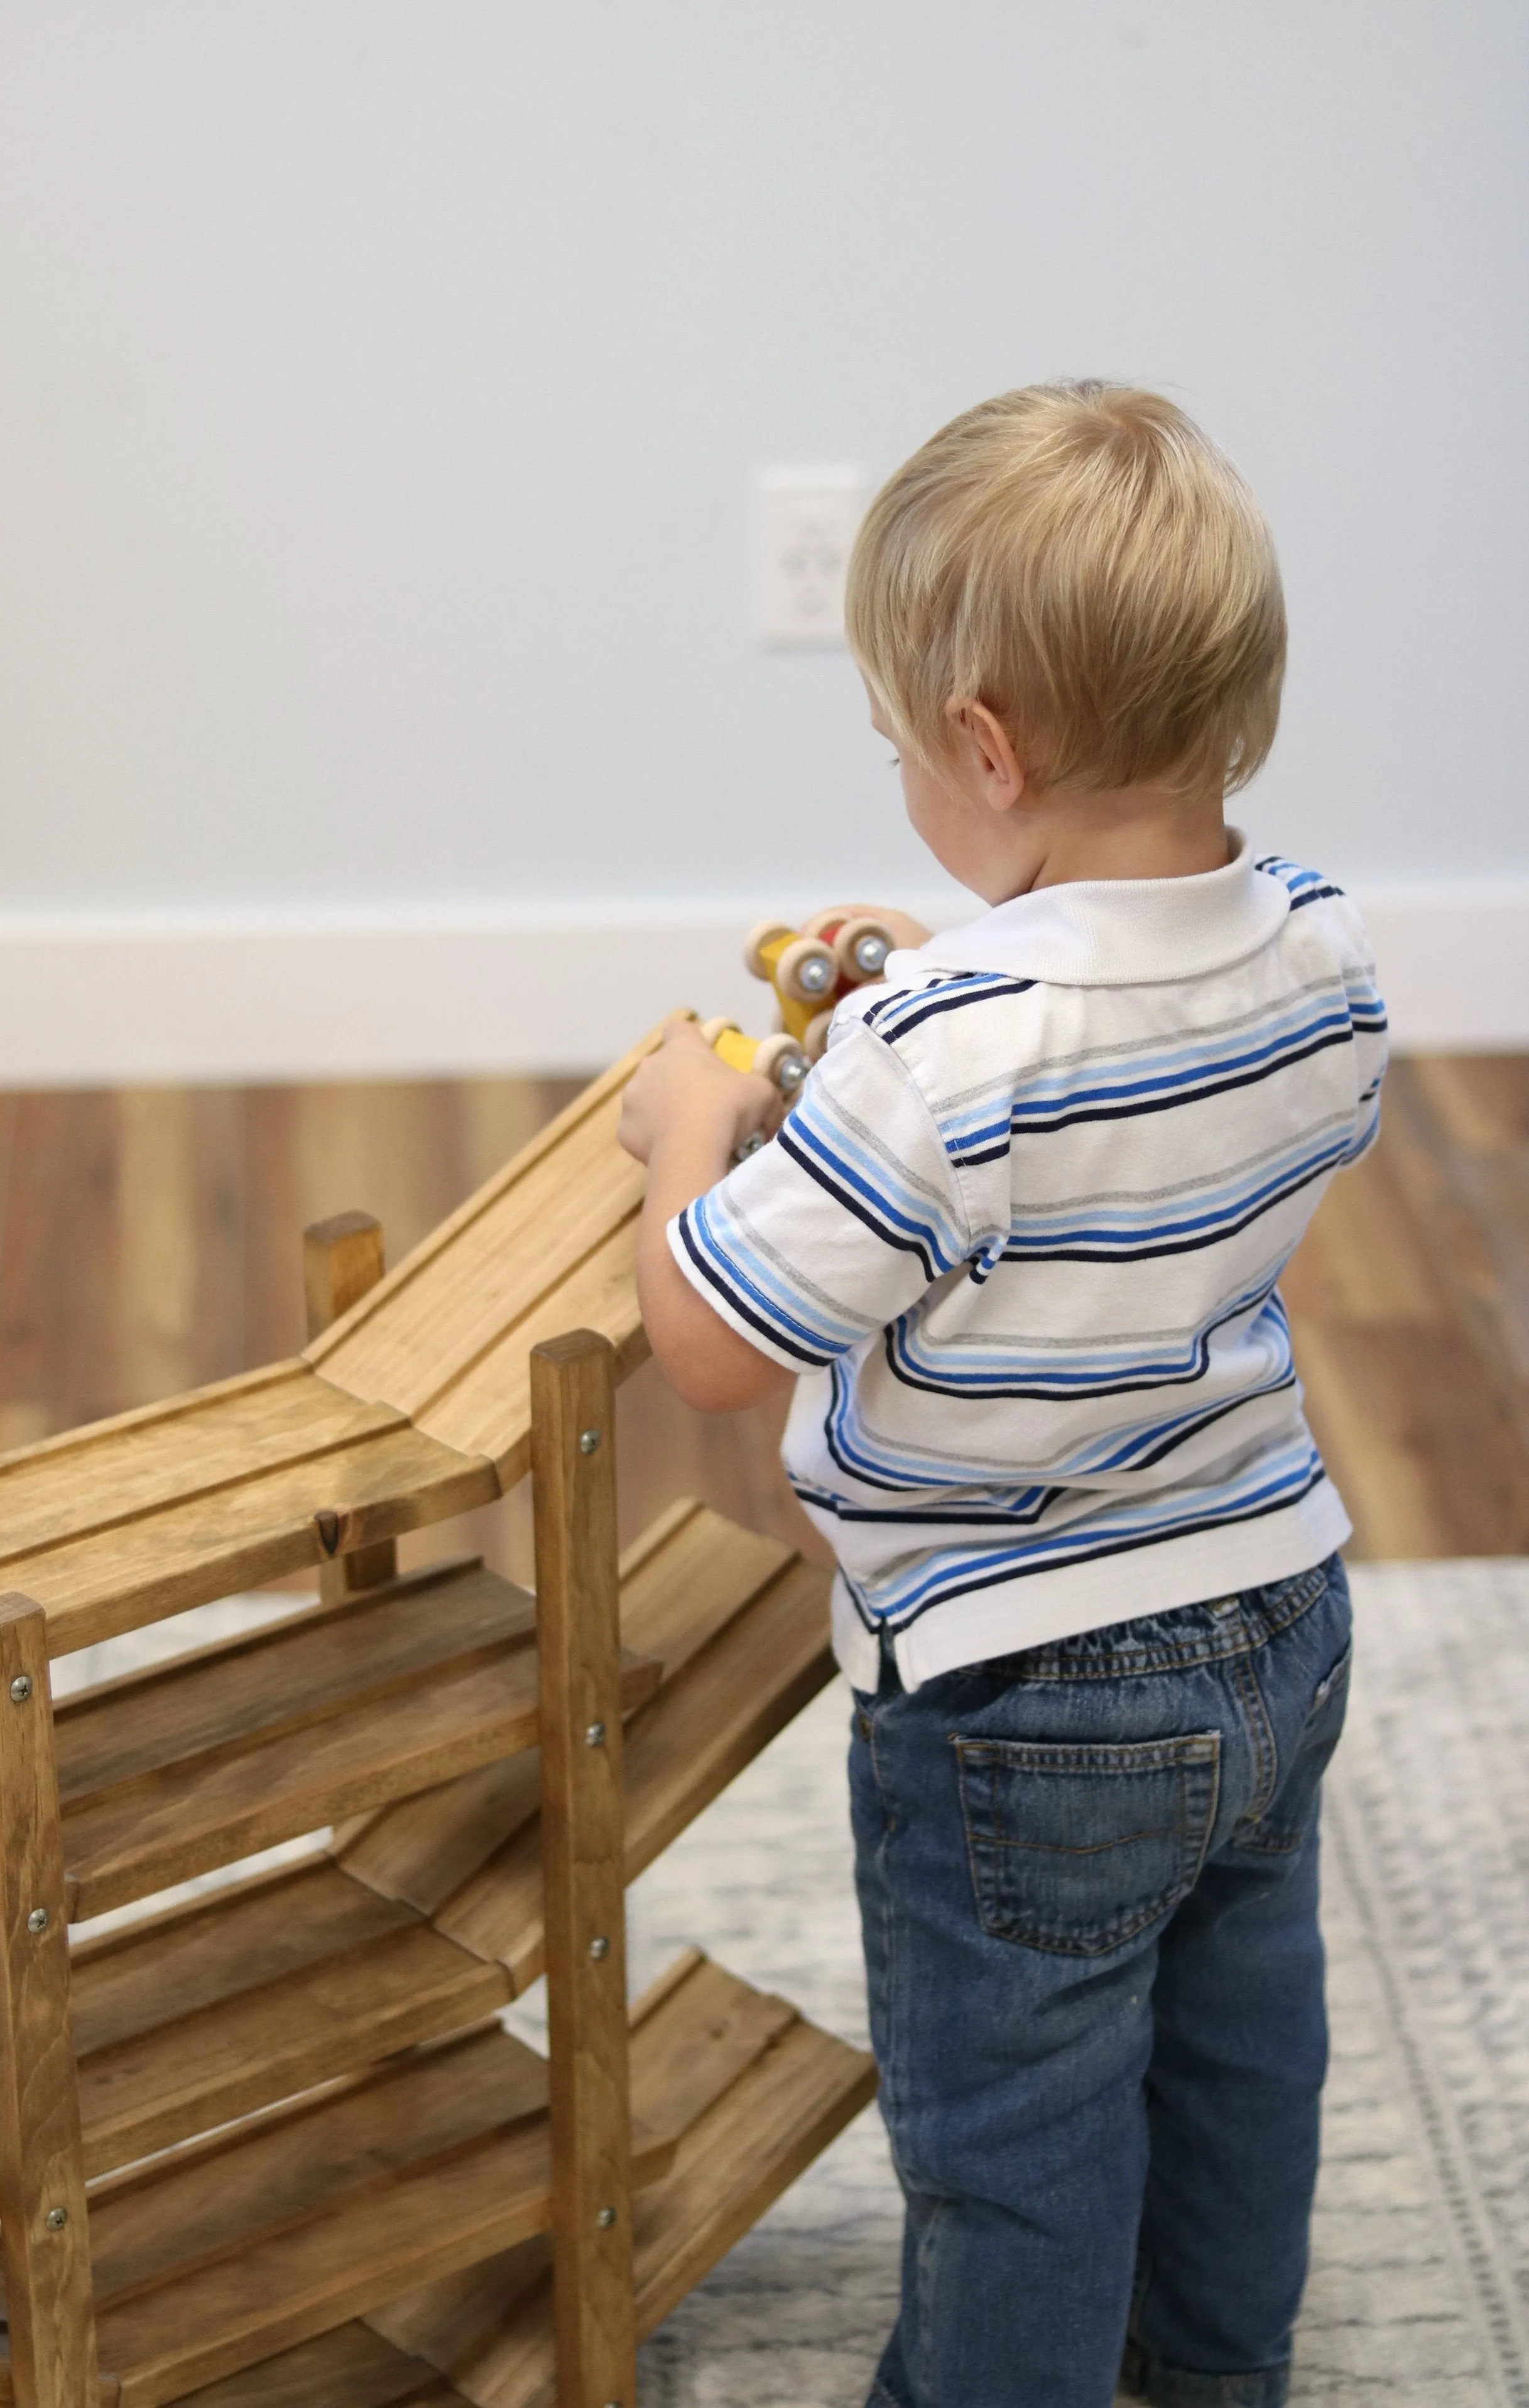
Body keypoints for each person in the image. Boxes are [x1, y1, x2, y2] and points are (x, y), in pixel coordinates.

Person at [617, 381, 1387, 2408]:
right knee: (1244, 2049)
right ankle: (1217, 2370)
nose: (899, 774)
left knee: (1018, 2152)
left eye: (897, 746)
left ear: (984, 747)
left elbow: (710, 1340)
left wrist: (691, 1130)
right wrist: (954, 969)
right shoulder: (1328, 953)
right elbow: (1123, 1051)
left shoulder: (945, 1056)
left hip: (1025, 1695)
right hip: (1278, 1622)